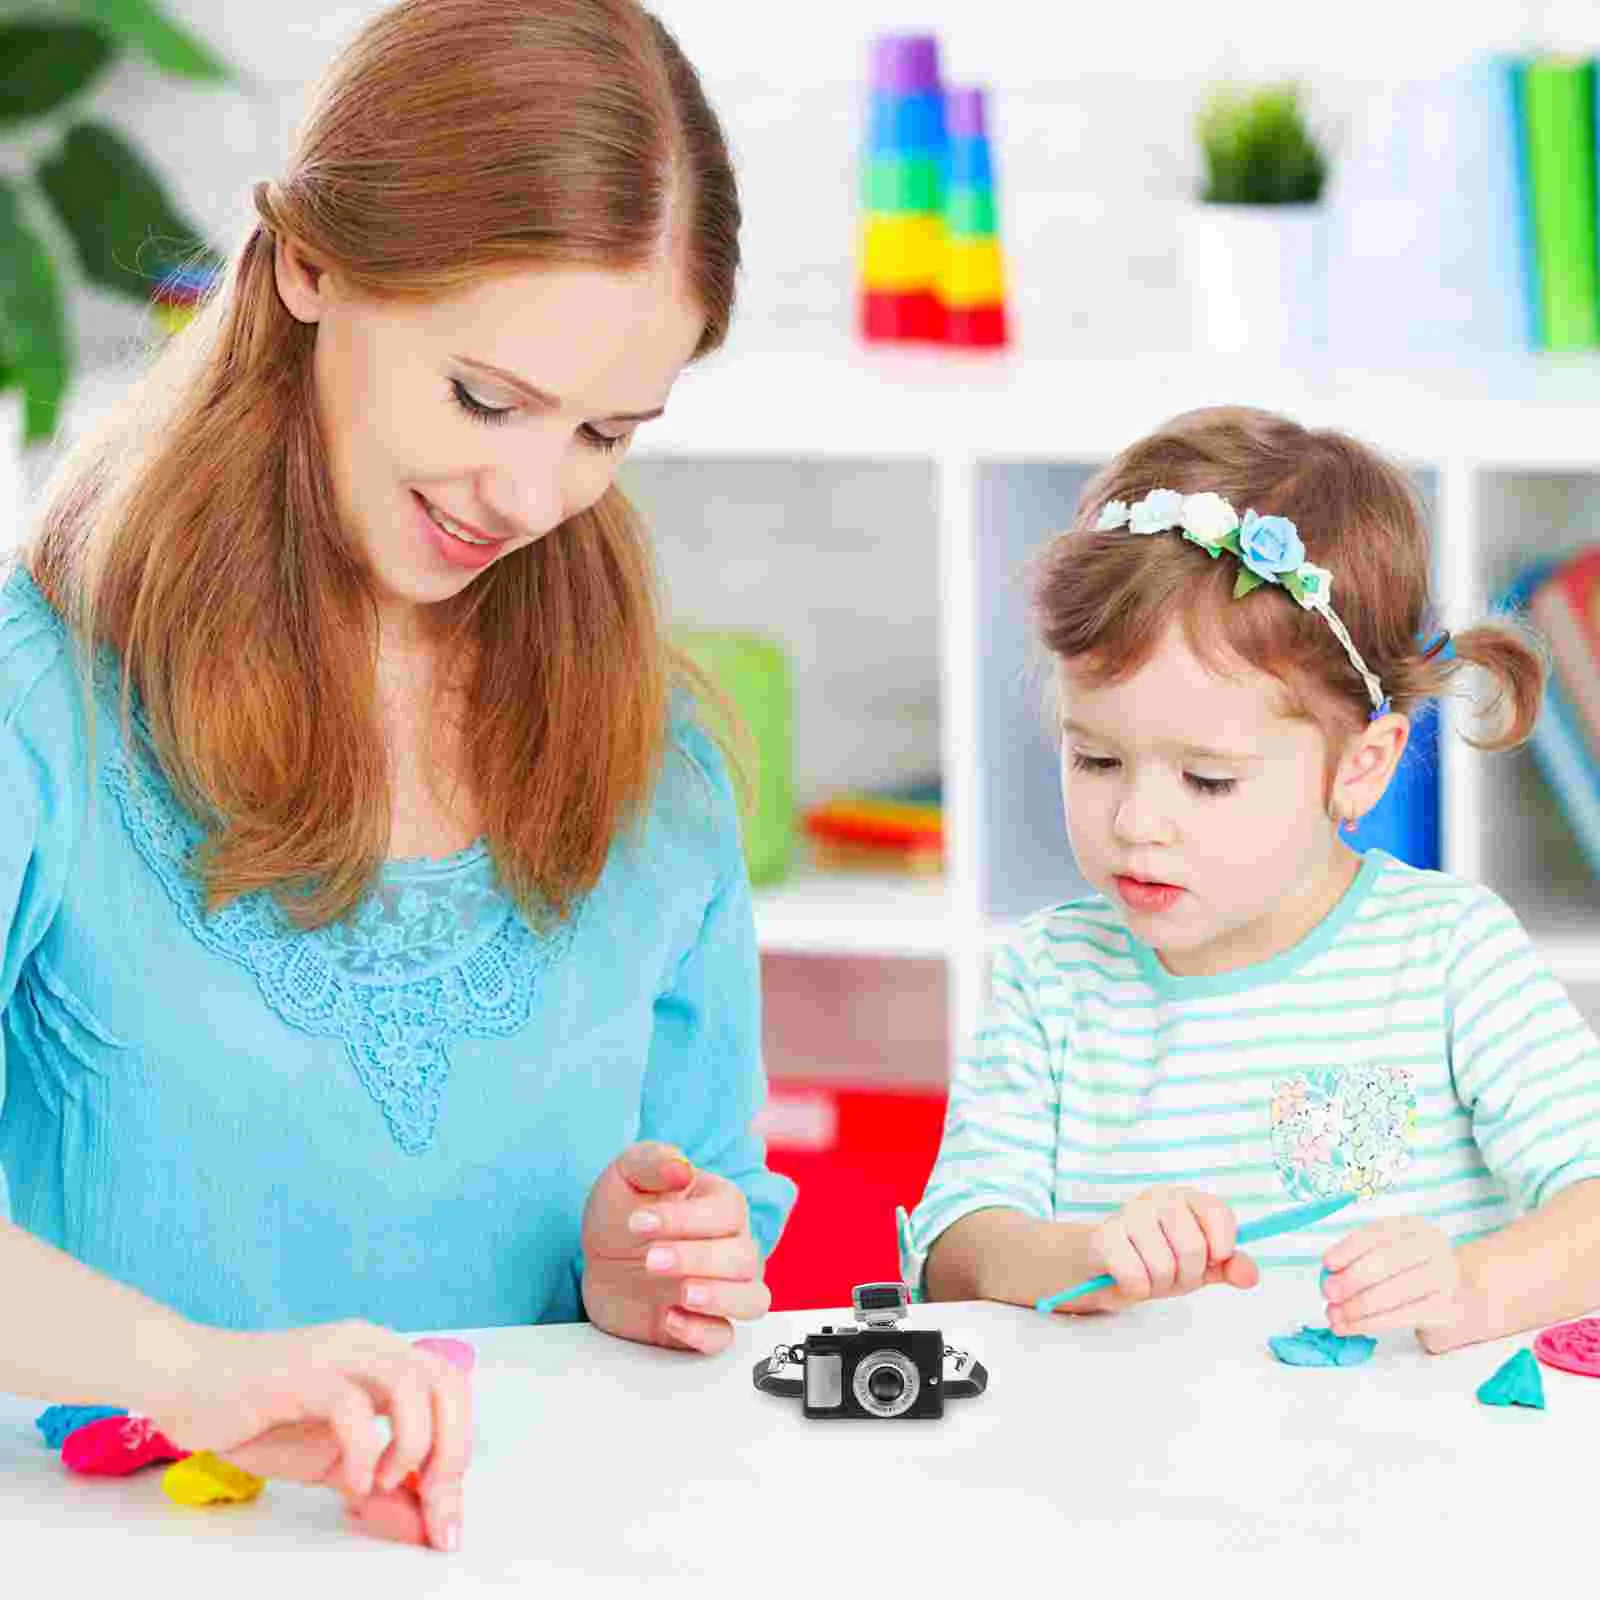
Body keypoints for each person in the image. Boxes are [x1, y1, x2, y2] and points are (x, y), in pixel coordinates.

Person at [0, 0, 794, 1553]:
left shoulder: (654, 756)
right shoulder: (46, 693)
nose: (531, 492)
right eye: (485, 400)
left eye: (608, 434)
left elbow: (712, 1205)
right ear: (311, 266)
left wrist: (645, 1277)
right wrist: (198, 1379)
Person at [899, 405, 1600, 1353]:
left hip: (1402, 1475)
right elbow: (957, 1251)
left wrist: (1470, 1285)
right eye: (1095, 759)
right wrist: (1077, 1255)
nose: (1137, 822)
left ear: (1361, 765)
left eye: (1207, 779)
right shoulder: (1050, 977)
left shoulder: (1446, 956)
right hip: (1118, 1477)